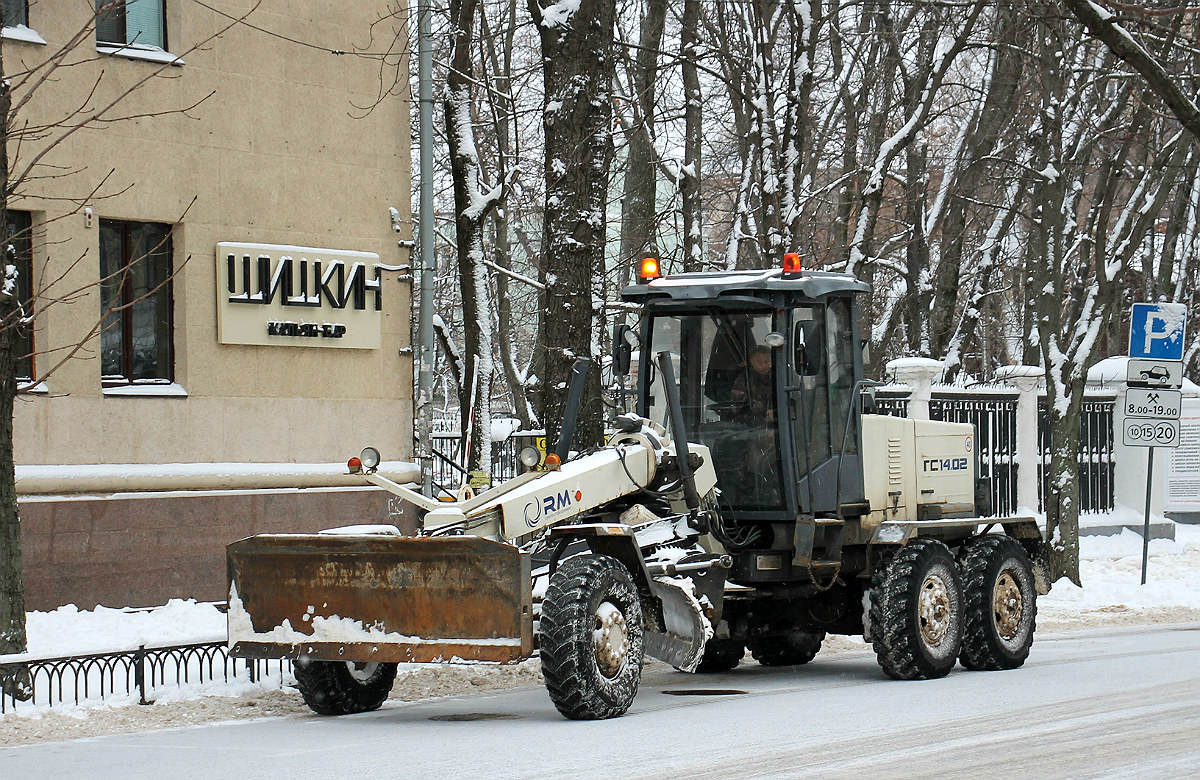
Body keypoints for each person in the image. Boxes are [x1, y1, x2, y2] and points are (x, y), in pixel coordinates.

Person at [730, 345, 775, 424]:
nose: (763, 366)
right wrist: (764, 414)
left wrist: (775, 412)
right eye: (759, 362)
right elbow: (738, 408)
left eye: (767, 361)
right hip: (751, 425)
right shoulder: (744, 380)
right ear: (751, 362)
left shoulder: (778, 376)